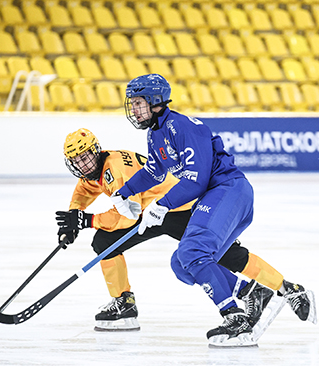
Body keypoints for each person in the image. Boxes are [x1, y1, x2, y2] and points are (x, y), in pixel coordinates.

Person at [109, 74, 313, 344]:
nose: (133, 110)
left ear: (155, 101)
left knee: (192, 252)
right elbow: (153, 171)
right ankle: (253, 293)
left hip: (229, 191)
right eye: (132, 104)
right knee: (182, 263)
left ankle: (234, 316)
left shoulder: (183, 127)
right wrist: (123, 192)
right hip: (217, 197)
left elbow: (196, 179)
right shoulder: (155, 133)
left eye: (138, 103)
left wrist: (161, 205)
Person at [56, 128, 309, 340]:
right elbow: (84, 190)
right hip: (150, 211)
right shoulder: (95, 171)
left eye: (86, 156)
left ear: (96, 150)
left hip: (175, 207)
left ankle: (285, 287)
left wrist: (87, 220)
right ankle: (124, 302)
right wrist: (72, 217)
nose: (83, 164)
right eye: (77, 160)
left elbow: (127, 217)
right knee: (104, 242)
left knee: (225, 256)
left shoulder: (115, 169)